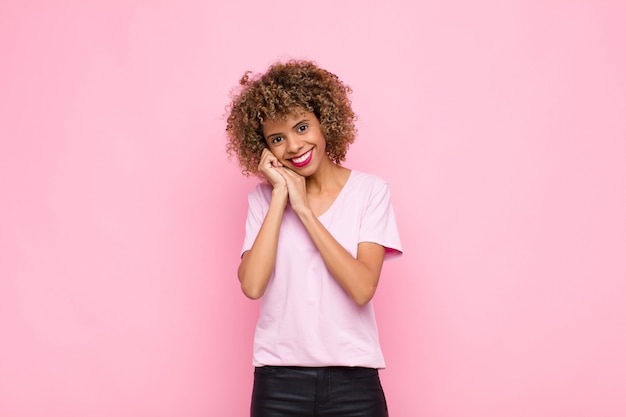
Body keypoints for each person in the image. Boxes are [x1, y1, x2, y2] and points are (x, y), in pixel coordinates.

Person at [225, 59, 403, 417]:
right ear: (264, 150)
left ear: (325, 122)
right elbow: (253, 285)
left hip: (354, 382)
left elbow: (362, 287)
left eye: (302, 127)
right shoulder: (262, 199)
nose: (293, 145)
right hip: (278, 384)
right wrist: (280, 196)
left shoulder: (370, 192)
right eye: (278, 139)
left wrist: (303, 210)